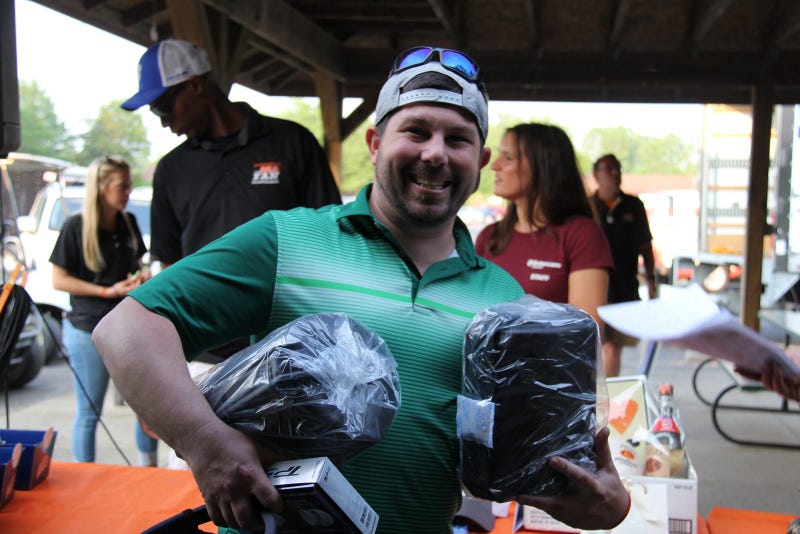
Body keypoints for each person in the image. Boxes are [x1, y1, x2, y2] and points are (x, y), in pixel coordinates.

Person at [94, 46, 630, 533]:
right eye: (416, 131)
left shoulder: (505, 302)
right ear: (375, 144)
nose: (436, 153)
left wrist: (600, 503)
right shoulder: (288, 238)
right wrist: (204, 443)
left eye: (458, 138)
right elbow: (126, 329)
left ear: (480, 163)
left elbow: (517, 461)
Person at [120, 38, 342, 360]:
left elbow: (331, 239)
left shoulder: (292, 143)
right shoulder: (171, 169)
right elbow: (168, 263)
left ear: (195, 84)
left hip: (289, 348)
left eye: (163, 106)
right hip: (203, 352)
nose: (163, 121)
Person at [50, 156, 159, 466]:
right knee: (89, 412)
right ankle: (85, 474)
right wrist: (106, 291)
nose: (128, 192)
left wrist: (141, 280)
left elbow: (139, 266)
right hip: (88, 328)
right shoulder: (76, 226)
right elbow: (58, 280)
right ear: (101, 188)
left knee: (147, 408)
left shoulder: (128, 222)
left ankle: (148, 471)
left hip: (127, 327)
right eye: (122, 186)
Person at [475, 123, 612, 327]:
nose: (495, 165)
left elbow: (586, 334)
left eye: (508, 157)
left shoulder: (581, 234)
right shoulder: (489, 237)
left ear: (542, 165)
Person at [591, 154, 657, 377]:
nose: (615, 174)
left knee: (612, 347)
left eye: (617, 169)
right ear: (596, 175)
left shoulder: (634, 206)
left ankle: (609, 402)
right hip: (593, 289)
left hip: (624, 289)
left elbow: (646, 247)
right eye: (608, 169)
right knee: (592, 347)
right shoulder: (587, 207)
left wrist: (651, 281)